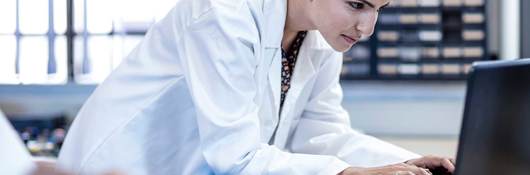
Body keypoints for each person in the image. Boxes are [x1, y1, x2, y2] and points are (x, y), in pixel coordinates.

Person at [58, 0, 455, 174]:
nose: (367, 29)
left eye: (379, 10)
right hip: (120, 167)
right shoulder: (224, 15)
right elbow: (235, 158)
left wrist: (407, 163)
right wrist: (346, 174)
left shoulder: (320, 35)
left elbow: (320, 135)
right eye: (356, 4)